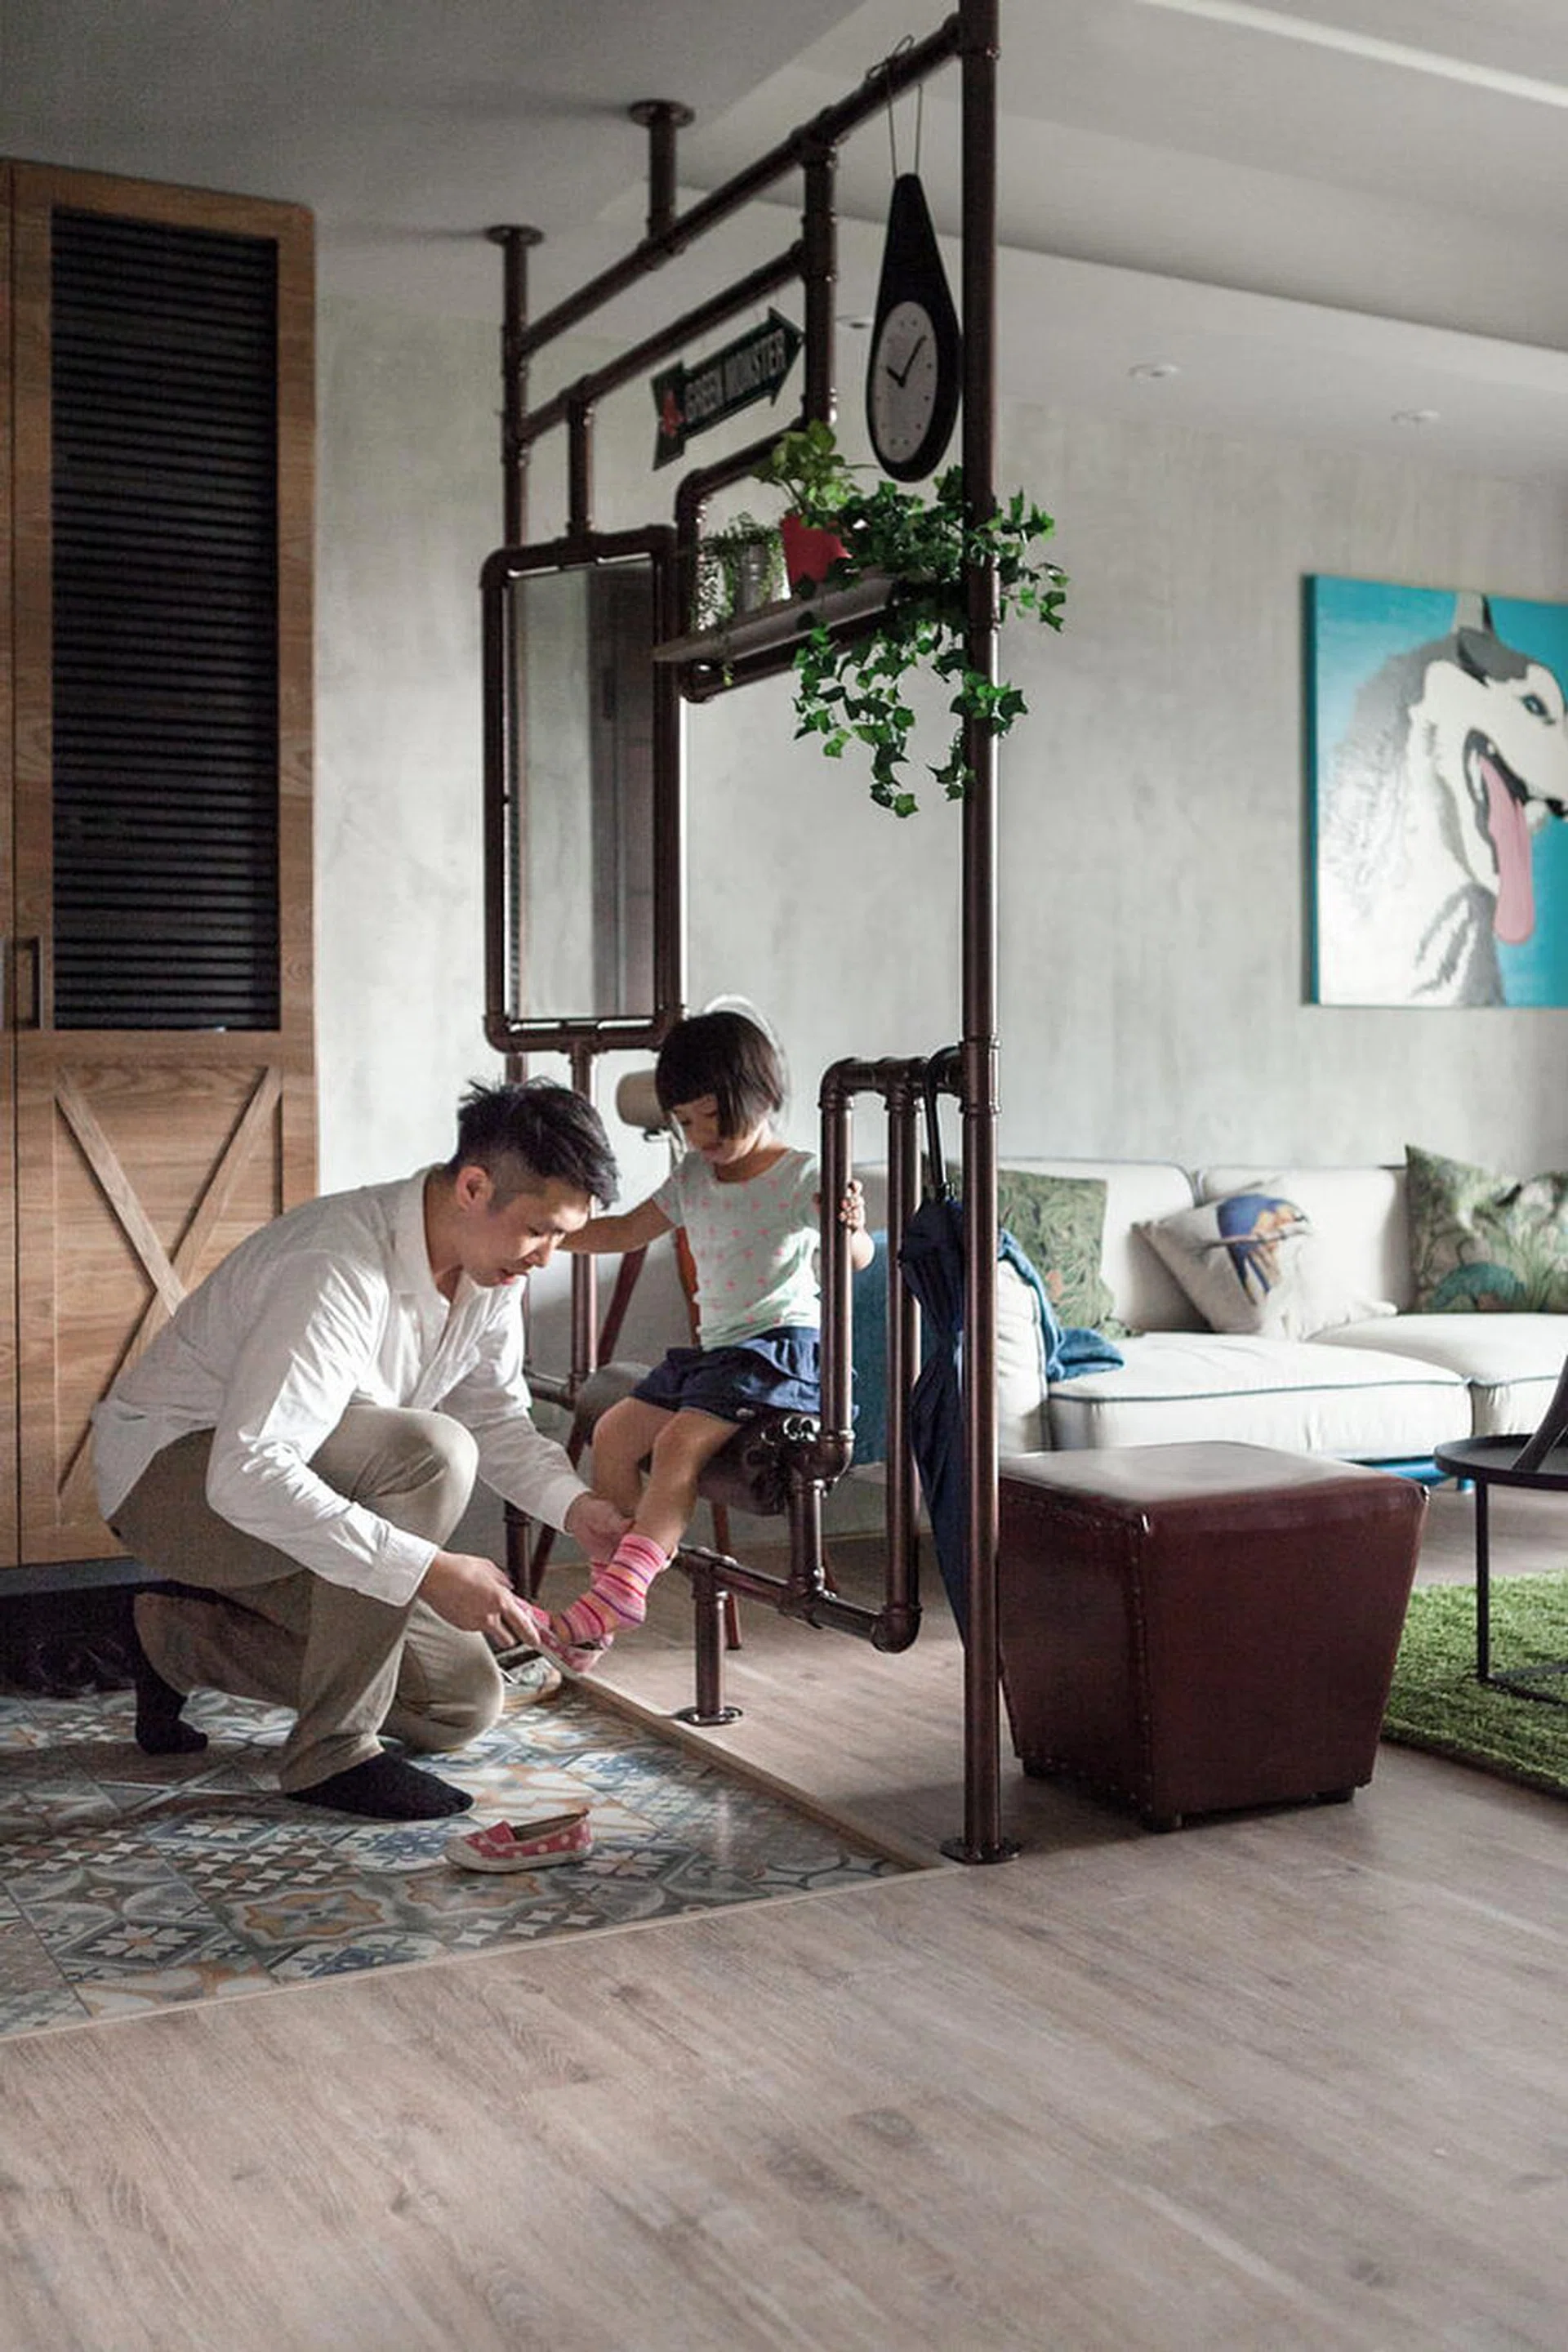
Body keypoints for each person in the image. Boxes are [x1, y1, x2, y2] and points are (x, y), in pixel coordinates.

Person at [91, 1080, 630, 1821]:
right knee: (432, 1453)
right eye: (541, 1230)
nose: (547, 1256)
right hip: (171, 1484)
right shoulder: (336, 1263)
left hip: (293, 1491)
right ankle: (331, 1755)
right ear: (475, 1187)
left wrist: (582, 1511)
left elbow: (500, 1420)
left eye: (563, 1236)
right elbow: (248, 1472)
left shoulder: (491, 1273)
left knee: (461, 1704)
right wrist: (431, 1570)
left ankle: (174, 1643)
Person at [530, 1009, 872, 1668]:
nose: (702, 1137)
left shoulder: (802, 1174)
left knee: (679, 1441)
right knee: (613, 1435)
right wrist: (542, 1232)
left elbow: (854, 1257)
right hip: (717, 1355)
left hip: (778, 1351)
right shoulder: (692, 1178)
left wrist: (849, 1225)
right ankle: (616, 1593)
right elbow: (624, 1231)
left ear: (763, 1097)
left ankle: (618, 1595)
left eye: (717, 1118)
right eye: (686, 1123)